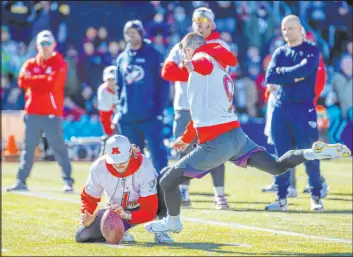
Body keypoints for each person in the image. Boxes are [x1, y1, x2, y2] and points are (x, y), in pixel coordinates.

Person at [143, 32, 350, 237]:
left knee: (167, 180)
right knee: (276, 166)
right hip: (236, 136)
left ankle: (173, 222)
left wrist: (192, 64)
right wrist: (186, 139)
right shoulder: (220, 65)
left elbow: (201, 63)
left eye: (185, 54)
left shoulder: (200, 59)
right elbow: (202, 112)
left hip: (217, 141)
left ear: (188, 50)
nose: (185, 58)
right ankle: (311, 153)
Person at [161, 7, 233, 209]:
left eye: (202, 19)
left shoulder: (219, 45)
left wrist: (192, 70)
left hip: (211, 106)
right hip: (184, 105)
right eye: (195, 19)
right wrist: (193, 72)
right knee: (183, 150)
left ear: (212, 23)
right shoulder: (181, 45)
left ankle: (219, 194)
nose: (198, 23)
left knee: (217, 150)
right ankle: (184, 192)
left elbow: (219, 72)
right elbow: (166, 71)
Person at [264, 15, 332, 211]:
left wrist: (282, 73)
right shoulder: (280, 51)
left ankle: (316, 195)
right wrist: (293, 75)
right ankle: (281, 197)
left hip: (304, 108)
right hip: (281, 108)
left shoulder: (311, 50)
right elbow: (270, 76)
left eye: (291, 28)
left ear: (300, 29)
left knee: (310, 153)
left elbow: (307, 68)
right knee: (281, 156)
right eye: (284, 29)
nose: (287, 32)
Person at [6, 30, 74, 193]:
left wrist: (34, 80)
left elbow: (52, 85)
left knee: (58, 148)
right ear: (37, 45)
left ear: (54, 45)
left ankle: (68, 181)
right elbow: (22, 81)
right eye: (42, 43)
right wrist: (44, 78)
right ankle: (21, 181)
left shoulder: (60, 63)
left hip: (52, 113)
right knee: (28, 149)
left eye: (47, 43)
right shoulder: (30, 63)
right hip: (32, 112)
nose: (45, 46)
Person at [75, 135, 173, 244]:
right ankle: (120, 229)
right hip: (116, 211)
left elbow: (150, 209)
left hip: (144, 208)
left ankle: (161, 227)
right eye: (114, 162)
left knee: (165, 177)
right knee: (82, 235)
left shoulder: (144, 165)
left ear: (131, 152)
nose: (118, 166)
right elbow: (89, 198)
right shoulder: (98, 167)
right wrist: (87, 215)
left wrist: (127, 216)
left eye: (122, 161)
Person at [114, 20, 169, 174]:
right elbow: (119, 86)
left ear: (141, 33)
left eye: (133, 32)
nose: (130, 36)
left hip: (150, 115)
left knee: (158, 155)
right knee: (134, 157)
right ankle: (138, 191)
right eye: (127, 33)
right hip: (128, 117)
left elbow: (163, 85)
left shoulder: (154, 55)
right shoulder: (122, 58)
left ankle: (164, 189)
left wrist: (158, 110)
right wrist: (120, 108)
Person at [97, 65, 118, 156]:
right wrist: (108, 132)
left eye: (114, 79)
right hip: (113, 117)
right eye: (109, 80)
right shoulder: (103, 91)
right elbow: (104, 114)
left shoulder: (126, 88)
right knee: (108, 139)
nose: (112, 83)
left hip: (127, 119)